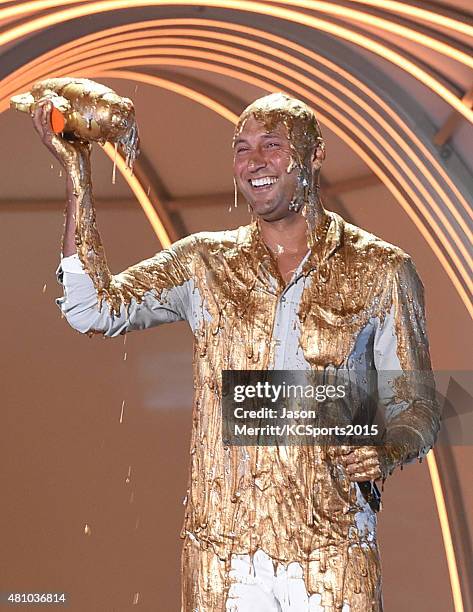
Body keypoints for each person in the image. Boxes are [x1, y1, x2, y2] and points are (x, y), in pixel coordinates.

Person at [33, 92, 440, 611]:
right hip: (221, 552)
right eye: (242, 148)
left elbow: (419, 404)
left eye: (272, 145)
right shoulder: (205, 261)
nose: (254, 162)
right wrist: (78, 175)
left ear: (314, 154)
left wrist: (390, 445)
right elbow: (92, 309)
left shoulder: (382, 270)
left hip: (332, 547)